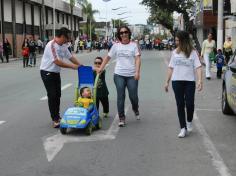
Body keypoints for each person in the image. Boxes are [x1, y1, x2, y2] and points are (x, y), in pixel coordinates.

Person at [97, 26, 141, 127]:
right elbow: (108, 57)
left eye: (125, 32)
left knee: (133, 96)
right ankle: (122, 117)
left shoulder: (134, 45)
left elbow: (138, 59)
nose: (124, 34)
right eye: (121, 33)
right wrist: (101, 68)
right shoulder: (116, 46)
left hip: (131, 75)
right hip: (119, 75)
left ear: (129, 33)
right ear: (119, 35)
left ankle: (135, 108)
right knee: (120, 96)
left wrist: (137, 72)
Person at [40, 27, 81, 128]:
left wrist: (81, 66)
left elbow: (70, 57)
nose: (68, 40)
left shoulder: (63, 46)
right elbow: (57, 62)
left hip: (56, 73)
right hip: (47, 72)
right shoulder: (51, 45)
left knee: (58, 95)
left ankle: (57, 117)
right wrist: (73, 67)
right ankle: (55, 119)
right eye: (68, 38)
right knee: (52, 95)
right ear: (62, 36)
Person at [164, 30, 202, 138]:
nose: (176, 42)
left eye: (177, 40)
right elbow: (171, 68)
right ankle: (183, 128)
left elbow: (198, 67)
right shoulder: (174, 53)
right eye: (175, 40)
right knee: (180, 104)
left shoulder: (193, 53)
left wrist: (200, 80)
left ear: (183, 41)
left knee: (190, 104)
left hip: (189, 82)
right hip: (177, 81)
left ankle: (189, 121)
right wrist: (167, 82)